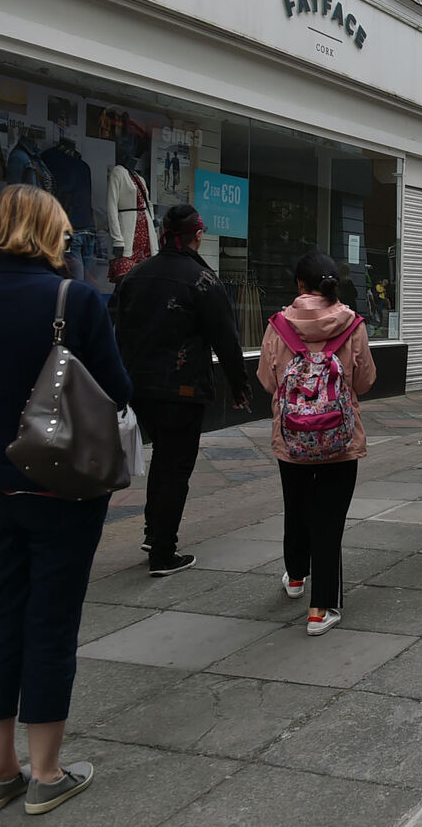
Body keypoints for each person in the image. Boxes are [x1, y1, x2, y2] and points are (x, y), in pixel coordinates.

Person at [0, 184, 131, 815]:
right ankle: (47, 773)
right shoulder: (73, 298)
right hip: (62, 488)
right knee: (50, 623)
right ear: (52, 234)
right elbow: (117, 390)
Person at [114, 205, 251, 576]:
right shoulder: (203, 280)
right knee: (175, 466)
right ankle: (163, 551)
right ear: (198, 234)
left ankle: (152, 531)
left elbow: (118, 333)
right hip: (183, 388)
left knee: (162, 458)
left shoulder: (136, 276)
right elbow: (226, 338)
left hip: (139, 387)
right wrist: (240, 385)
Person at [257, 250, 375, 635]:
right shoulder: (352, 325)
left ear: (299, 284)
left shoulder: (278, 326)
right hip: (340, 439)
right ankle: (320, 608)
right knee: (329, 519)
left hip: (291, 438)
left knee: (296, 505)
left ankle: (295, 577)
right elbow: (364, 381)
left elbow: (267, 379)